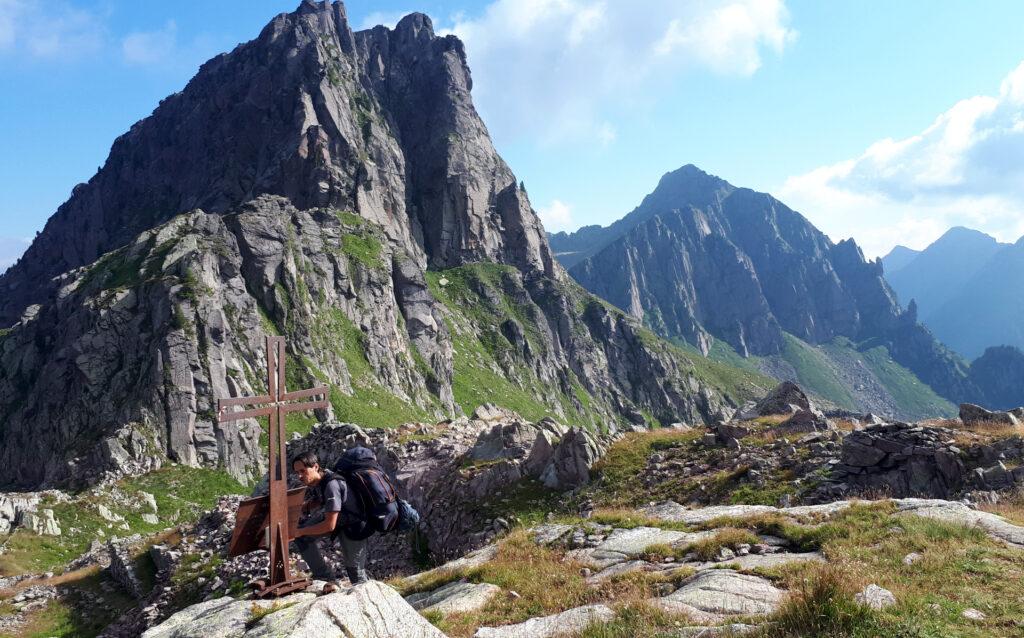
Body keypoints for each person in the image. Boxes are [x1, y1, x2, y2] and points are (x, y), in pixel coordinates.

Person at [290, 451, 369, 586]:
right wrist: (302, 508)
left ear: (315, 467)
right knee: (302, 538)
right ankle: (325, 578)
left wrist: (300, 531)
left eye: (303, 471)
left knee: (355, 572)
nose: (300, 476)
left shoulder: (331, 485)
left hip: (354, 525)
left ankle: (368, 599)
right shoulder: (319, 480)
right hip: (340, 518)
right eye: (297, 472)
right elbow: (321, 499)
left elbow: (329, 526)